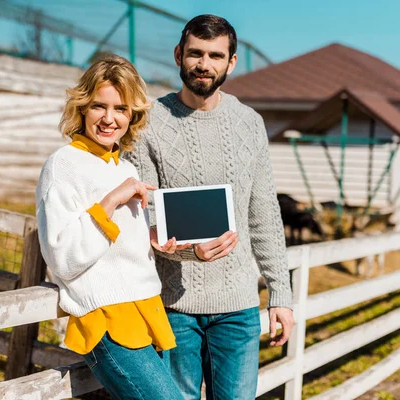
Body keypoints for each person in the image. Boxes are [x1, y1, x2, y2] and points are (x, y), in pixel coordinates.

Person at [123, 14, 295, 400]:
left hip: (239, 308)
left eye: (216, 56)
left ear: (231, 62)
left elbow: (264, 215)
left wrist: (281, 296)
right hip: (173, 307)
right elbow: (146, 219)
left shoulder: (250, 123)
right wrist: (190, 253)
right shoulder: (147, 124)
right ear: (178, 55)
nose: (204, 64)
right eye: (196, 53)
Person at [35, 55, 183, 399]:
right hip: (107, 320)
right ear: (82, 107)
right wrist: (111, 201)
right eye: (99, 106)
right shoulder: (62, 166)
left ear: (133, 115)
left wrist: (149, 240)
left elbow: (114, 244)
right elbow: (61, 256)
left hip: (147, 311)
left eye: (120, 109)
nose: (109, 118)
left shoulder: (123, 168)